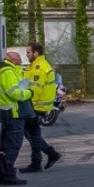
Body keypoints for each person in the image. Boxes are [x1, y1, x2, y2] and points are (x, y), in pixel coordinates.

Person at [0, 49, 33, 185]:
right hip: (14, 113)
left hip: (7, 112)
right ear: (11, 60)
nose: (21, 62)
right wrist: (29, 93)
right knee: (13, 146)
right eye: (18, 60)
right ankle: (8, 175)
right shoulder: (8, 73)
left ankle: (3, 174)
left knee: (5, 147)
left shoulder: (3, 71)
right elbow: (15, 93)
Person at [23, 42, 63, 173]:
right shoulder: (36, 65)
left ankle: (38, 161)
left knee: (31, 134)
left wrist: (26, 102)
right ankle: (49, 155)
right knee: (32, 134)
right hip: (38, 106)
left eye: (28, 52)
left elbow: (35, 89)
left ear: (36, 53)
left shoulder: (39, 67)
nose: (26, 54)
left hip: (35, 106)